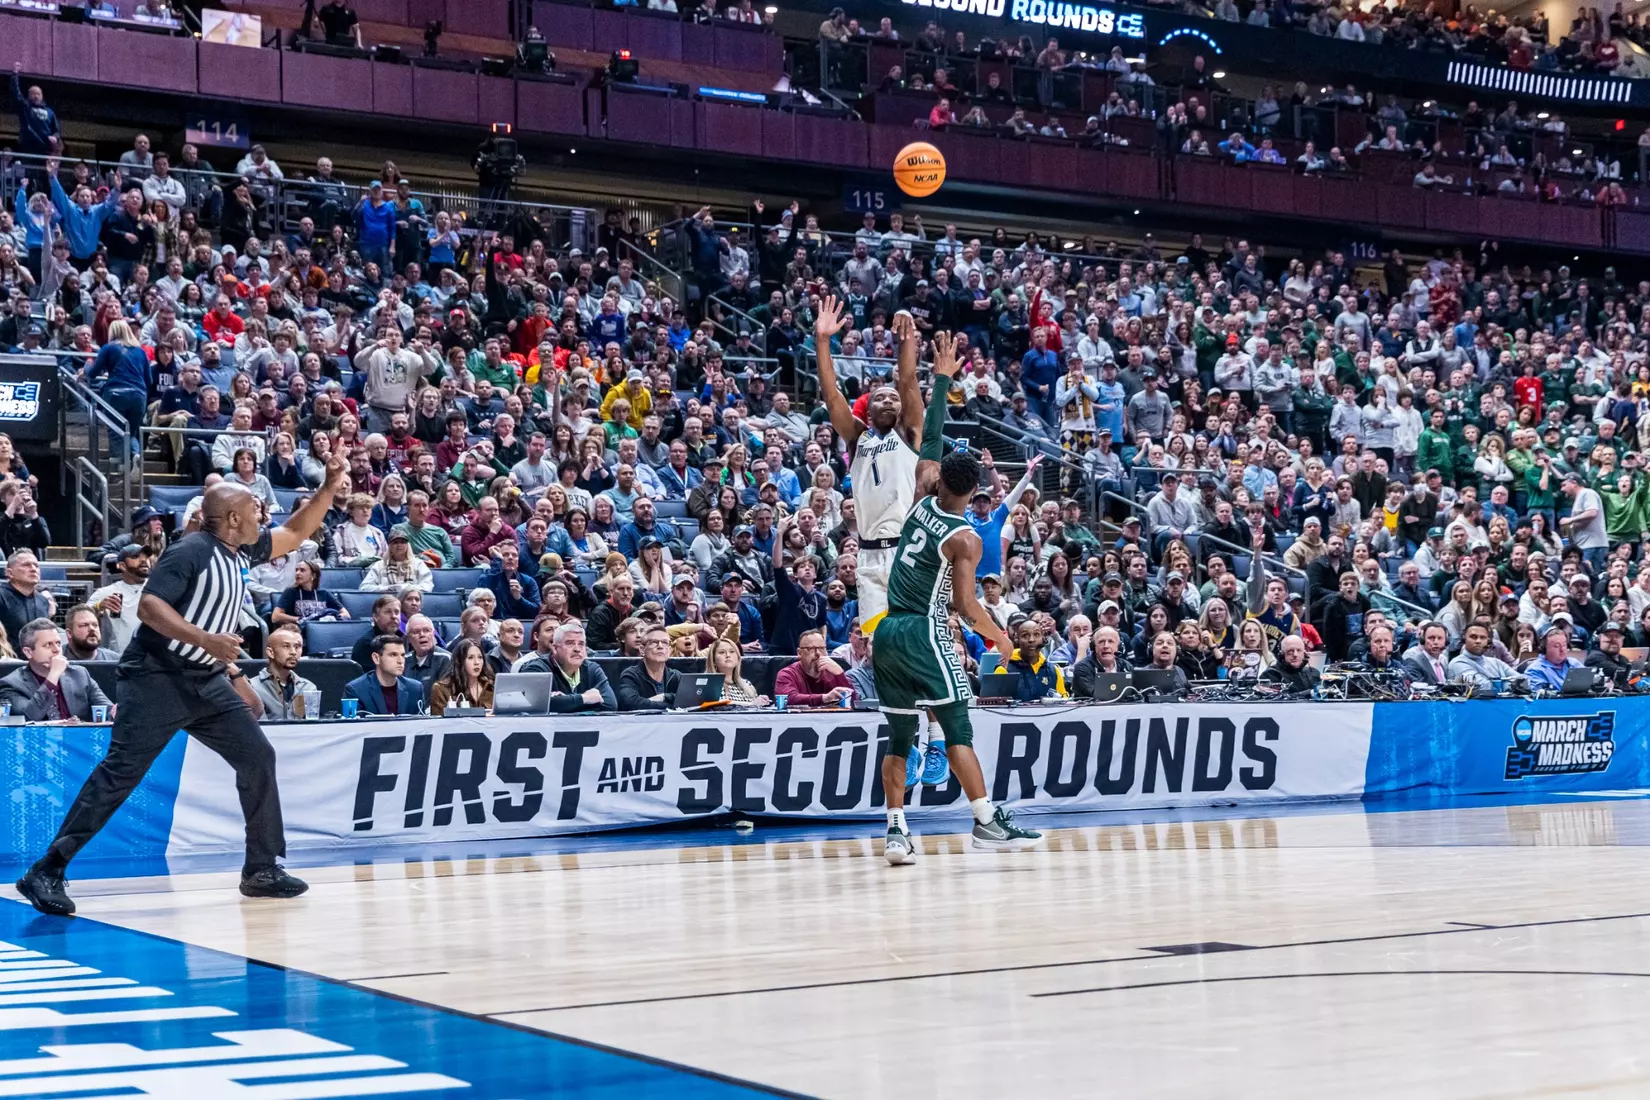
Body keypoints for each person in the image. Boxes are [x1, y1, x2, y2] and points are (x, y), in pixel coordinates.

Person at [15, 443, 350, 916]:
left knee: (258, 756)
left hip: (205, 679)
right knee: (120, 774)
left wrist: (331, 486)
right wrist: (206, 639)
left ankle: (260, 869)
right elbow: (152, 607)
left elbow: (295, 531)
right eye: (255, 508)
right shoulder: (190, 550)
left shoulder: (241, 549)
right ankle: (47, 869)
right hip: (157, 677)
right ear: (232, 517)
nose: (263, 513)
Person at [874, 330, 1041, 864]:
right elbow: (968, 607)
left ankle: (896, 832)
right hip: (924, 630)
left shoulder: (923, 491)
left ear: (941, 477)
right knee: (957, 727)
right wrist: (1002, 641)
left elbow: (930, 436)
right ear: (976, 493)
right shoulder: (965, 537)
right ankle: (987, 822)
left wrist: (941, 380)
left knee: (900, 734)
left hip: (886, 630)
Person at [0, 618, 113, 722]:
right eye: (48, 645)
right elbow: (30, 716)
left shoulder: (79, 675)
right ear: (28, 652)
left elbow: (107, 709)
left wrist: (115, 712)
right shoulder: (11, 684)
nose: (56, 650)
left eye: (58, 643)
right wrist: (53, 675)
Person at [249, 624, 319, 721]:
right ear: (270, 652)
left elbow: (312, 726)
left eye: (297, 646)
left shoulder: (308, 688)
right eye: (286, 646)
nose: (293, 652)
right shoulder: (252, 687)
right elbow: (259, 728)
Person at [89, 543, 150, 652]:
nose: (144, 560)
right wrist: (98, 607)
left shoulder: (158, 587)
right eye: (136, 557)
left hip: (154, 659)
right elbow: (79, 616)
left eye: (146, 556)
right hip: (121, 658)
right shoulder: (107, 592)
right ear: (122, 565)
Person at [344, 634, 426, 715]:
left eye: (402, 655)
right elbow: (351, 726)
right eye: (393, 655)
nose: (400, 661)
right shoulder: (355, 690)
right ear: (376, 658)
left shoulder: (415, 689)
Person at [544, 621, 616, 712]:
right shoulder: (538, 668)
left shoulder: (593, 669)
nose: (577, 649)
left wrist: (565, 702)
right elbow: (540, 705)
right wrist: (584, 698)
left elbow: (610, 705)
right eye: (570, 643)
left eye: (581, 644)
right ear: (554, 648)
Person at [773, 630, 854, 706]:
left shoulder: (833, 672)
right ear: (799, 653)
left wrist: (840, 674)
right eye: (811, 649)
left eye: (822, 648)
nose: (818, 653)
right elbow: (788, 699)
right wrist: (824, 698)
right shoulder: (787, 674)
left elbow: (854, 701)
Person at [999, 617, 1067, 701]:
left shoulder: (1054, 671)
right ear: (1017, 639)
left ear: (1043, 639)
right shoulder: (1004, 669)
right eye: (1025, 636)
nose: (1031, 640)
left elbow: (1063, 703)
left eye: (1037, 635)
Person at [617, 624, 681, 711]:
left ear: (669, 650)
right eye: (654, 642)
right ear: (642, 650)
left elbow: (691, 699)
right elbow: (630, 703)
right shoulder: (631, 675)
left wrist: (664, 697)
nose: (660, 646)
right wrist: (671, 704)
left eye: (665, 642)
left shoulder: (676, 675)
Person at [0, 549, 55, 649]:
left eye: (36, 565)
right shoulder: (1, 596)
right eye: (26, 565)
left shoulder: (43, 601)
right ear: (9, 573)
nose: (33, 569)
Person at [1447, 619, 1523, 689]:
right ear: (1464, 638)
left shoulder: (1496, 663)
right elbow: (1482, 687)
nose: (1478, 641)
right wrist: (1509, 685)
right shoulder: (1457, 664)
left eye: (1482, 637)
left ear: (1488, 641)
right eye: (1473, 637)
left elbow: (1522, 681)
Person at [429, 637, 494, 715]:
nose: (477, 662)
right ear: (460, 661)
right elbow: (437, 723)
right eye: (470, 658)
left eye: (480, 657)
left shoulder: (491, 687)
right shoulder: (441, 689)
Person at [1524, 626, 1582, 692]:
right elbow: (1540, 697)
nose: (1562, 650)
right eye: (1556, 646)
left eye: (1564, 645)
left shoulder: (1574, 663)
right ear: (1545, 649)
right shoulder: (1534, 670)